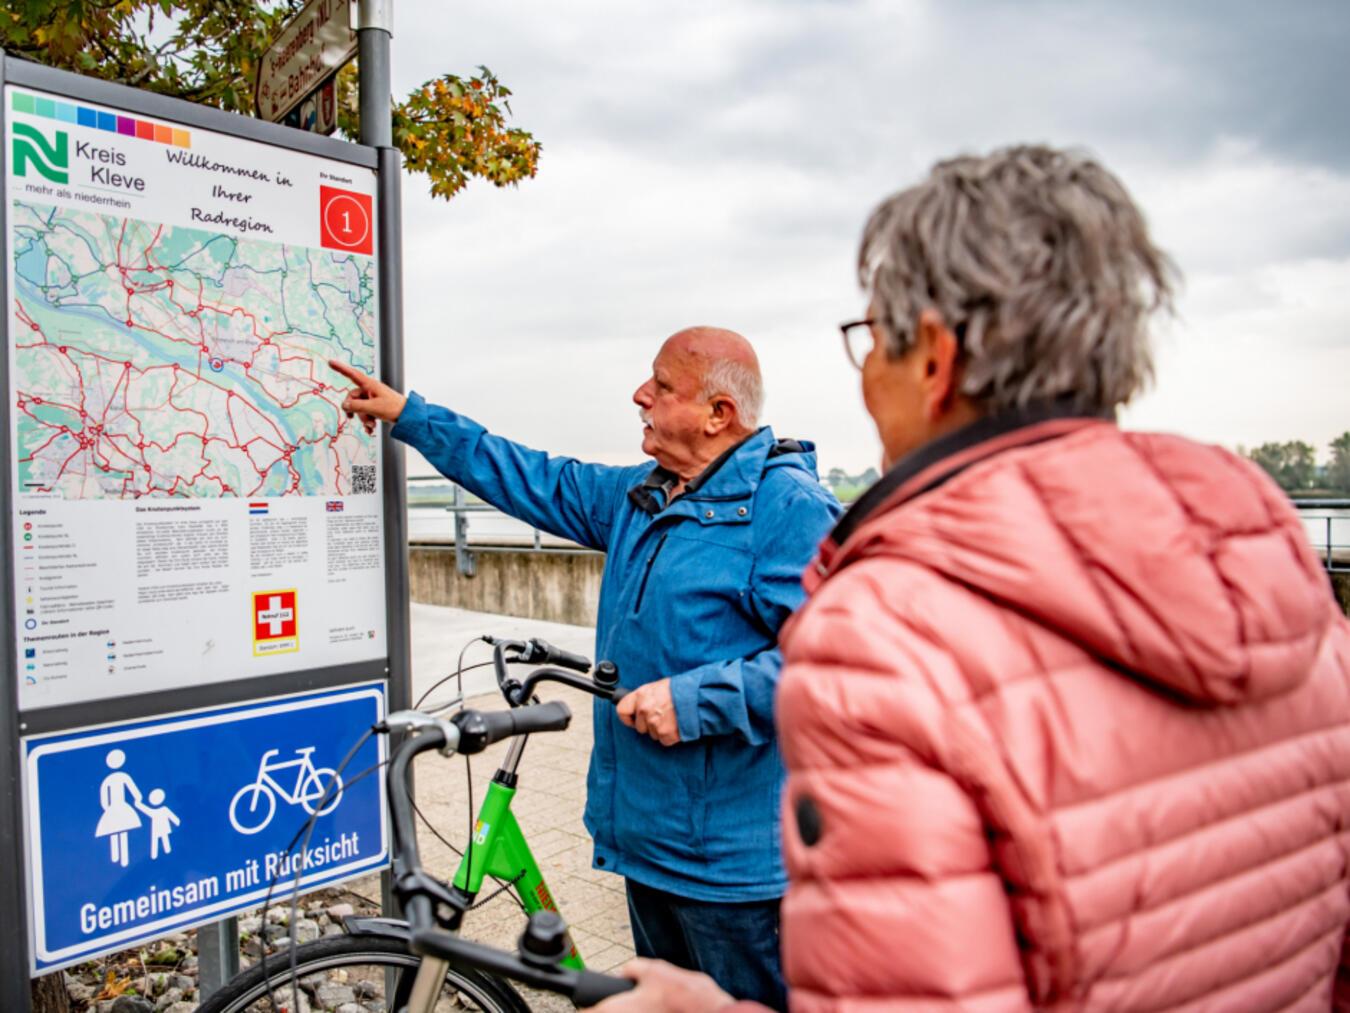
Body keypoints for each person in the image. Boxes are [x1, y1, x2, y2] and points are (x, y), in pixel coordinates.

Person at [596, 146, 1350, 1010]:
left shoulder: (886, 631)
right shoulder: (1273, 562)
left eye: (873, 339)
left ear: (936, 361)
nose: (868, 375)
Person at [330, 326, 840, 1009]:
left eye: (662, 386)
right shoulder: (644, 495)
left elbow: (834, 664)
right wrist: (412, 416)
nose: (640, 395)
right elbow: (529, 475)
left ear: (719, 413)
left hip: (731, 871)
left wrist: (695, 701)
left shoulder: (786, 511)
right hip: (646, 841)